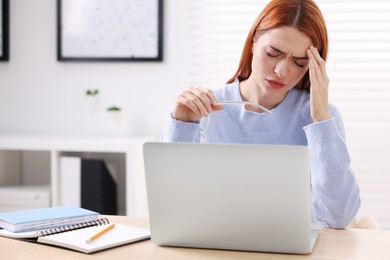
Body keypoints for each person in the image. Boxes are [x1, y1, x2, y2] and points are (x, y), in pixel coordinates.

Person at [161, 0, 360, 229]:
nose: (282, 71)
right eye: (273, 53)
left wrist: (322, 120)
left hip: (294, 247)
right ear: (254, 42)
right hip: (217, 239)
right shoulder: (206, 108)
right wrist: (182, 124)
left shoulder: (321, 116)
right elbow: (169, 202)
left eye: (299, 62)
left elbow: (339, 217)